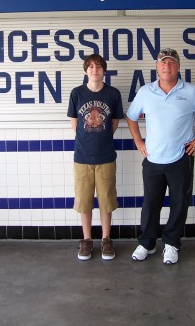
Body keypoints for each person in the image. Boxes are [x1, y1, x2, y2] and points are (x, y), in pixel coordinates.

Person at [126, 48, 195, 265]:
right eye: (162, 62)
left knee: (179, 203)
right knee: (151, 203)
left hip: (181, 158)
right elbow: (131, 117)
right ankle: (147, 243)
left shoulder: (191, 91)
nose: (166, 66)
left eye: (171, 62)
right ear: (157, 67)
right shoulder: (145, 92)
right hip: (153, 160)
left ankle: (171, 243)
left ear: (178, 67)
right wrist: (139, 141)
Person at [67, 54, 124, 261]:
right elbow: (74, 124)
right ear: (85, 71)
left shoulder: (113, 94)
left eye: (98, 67)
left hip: (106, 156)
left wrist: (102, 138)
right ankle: (87, 239)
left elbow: (115, 122)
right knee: (84, 200)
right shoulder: (77, 93)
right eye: (90, 67)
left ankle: (106, 239)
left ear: (104, 71)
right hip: (82, 157)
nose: (94, 70)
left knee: (106, 200)